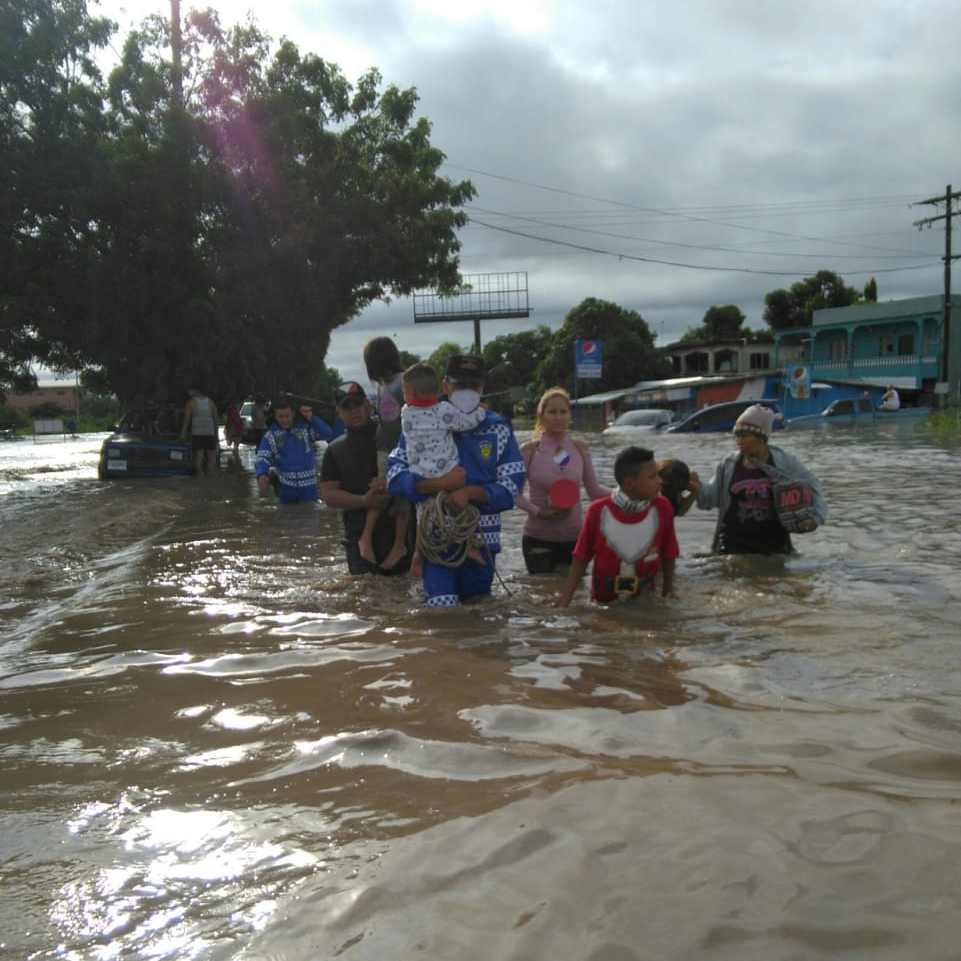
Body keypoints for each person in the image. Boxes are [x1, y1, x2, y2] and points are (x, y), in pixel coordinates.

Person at [387, 354, 525, 608]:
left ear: (483, 388)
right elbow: (395, 476)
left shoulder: (498, 428)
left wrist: (470, 493)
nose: (467, 392)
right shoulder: (419, 421)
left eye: (474, 386)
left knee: (479, 615)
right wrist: (436, 486)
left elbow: (512, 488)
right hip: (435, 541)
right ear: (445, 385)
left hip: (483, 542)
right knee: (442, 612)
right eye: (460, 385)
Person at [690, 404, 827, 554]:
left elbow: (814, 487)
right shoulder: (729, 464)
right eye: (737, 435)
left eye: (745, 435)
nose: (739, 441)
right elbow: (710, 499)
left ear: (762, 438)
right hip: (732, 545)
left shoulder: (784, 462)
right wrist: (697, 488)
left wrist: (815, 519)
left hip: (774, 545)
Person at [558, 446, 678, 606]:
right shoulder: (598, 511)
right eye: (652, 477)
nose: (660, 481)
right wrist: (566, 599)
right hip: (603, 601)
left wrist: (668, 591)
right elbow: (581, 557)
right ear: (629, 484)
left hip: (645, 597)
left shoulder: (662, 507)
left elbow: (669, 552)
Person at [399, 362, 489, 571]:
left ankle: (419, 555)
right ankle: (469, 546)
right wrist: (481, 412)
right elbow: (465, 423)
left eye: (404, 390)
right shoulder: (443, 410)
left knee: (424, 517)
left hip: (421, 475)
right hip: (448, 471)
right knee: (457, 509)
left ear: (411, 392)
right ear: (441, 388)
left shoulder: (406, 413)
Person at [319, 383, 413, 574]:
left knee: (405, 597)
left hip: (400, 534)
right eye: (347, 407)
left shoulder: (392, 435)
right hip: (358, 537)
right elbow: (328, 495)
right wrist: (363, 500)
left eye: (358, 404)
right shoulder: (334, 450)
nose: (354, 411)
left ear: (368, 405)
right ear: (338, 412)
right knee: (363, 597)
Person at [516, 387, 609, 574]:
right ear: (541, 416)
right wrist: (539, 512)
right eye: (552, 412)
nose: (558, 417)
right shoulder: (529, 450)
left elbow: (594, 491)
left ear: (569, 415)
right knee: (541, 595)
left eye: (563, 412)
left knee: (575, 598)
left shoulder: (579, 448)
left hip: (575, 539)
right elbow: (512, 492)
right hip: (538, 538)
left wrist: (626, 494)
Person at [360, 337, 413, 571]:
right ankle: (366, 537)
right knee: (380, 489)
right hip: (383, 446)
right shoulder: (381, 385)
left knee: (401, 496)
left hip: (403, 448)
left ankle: (399, 545)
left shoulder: (403, 381)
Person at [254, 396, 327, 504]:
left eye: (287, 416)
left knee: (310, 517)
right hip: (285, 489)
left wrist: (312, 418)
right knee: (286, 518)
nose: (284, 420)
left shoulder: (307, 428)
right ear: (274, 415)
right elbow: (262, 457)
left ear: (293, 414)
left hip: (309, 489)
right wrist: (262, 474)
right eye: (280, 416)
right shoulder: (270, 435)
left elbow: (327, 434)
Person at [181, 388, 219, 475]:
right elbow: (216, 419)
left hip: (197, 432)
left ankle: (200, 478)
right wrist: (216, 435)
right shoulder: (210, 402)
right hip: (210, 432)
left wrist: (183, 433)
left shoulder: (190, 402)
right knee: (211, 458)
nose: (188, 393)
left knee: (199, 457)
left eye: (189, 391)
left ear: (195, 390)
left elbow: (187, 419)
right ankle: (210, 479)